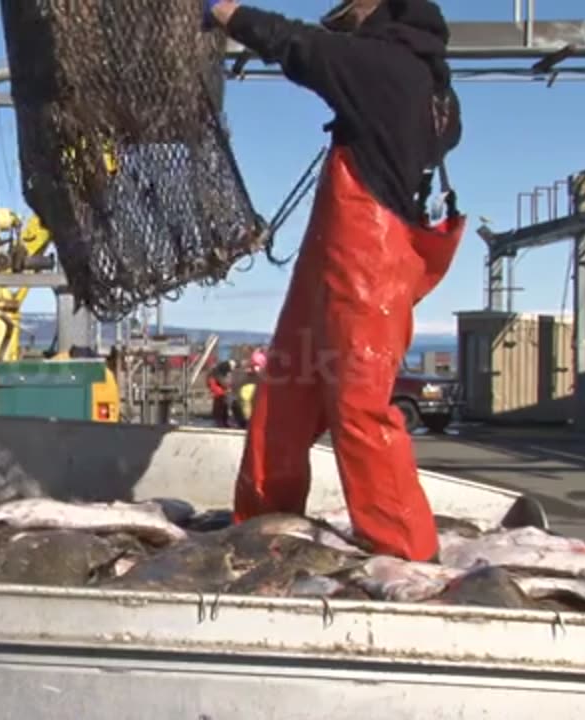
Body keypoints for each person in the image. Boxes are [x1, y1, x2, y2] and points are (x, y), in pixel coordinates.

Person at [206, 0, 467, 562]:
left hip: (366, 274)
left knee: (359, 410)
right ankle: (260, 537)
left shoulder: (387, 69)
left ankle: (408, 560)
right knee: (281, 399)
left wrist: (225, 12)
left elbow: (302, 48)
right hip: (333, 271)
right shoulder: (430, 87)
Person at [206, 361, 233, 428]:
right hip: (218, 392)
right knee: (220, 406)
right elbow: (219, 383)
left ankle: (223, 421)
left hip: (220, 391)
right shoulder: (215, 374)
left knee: (223, 406)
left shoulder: (217, 372)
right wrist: (226, 389)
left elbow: (224, 383)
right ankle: (220, 422)